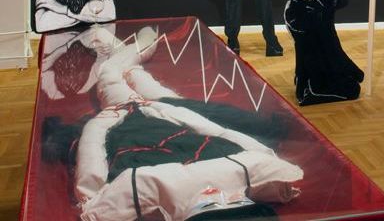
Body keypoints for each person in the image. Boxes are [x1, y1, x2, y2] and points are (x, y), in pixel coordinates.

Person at [42, 26, 303, 221]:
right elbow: (221, 132)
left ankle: (127, 50)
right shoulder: (252, 168)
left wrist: (104, 121)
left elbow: (94, 175)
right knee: (131, 78)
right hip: (163, 114)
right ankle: (129, 51)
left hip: (133, 117)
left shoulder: (145, 185)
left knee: (115, 76)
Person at [280, 0, 364, 106]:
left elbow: (342, 1)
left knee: (353, 85)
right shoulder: (292, 10)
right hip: (315, 67)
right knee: (352, 90)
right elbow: (319, 22)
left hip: (331, 59)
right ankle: (309, 90)